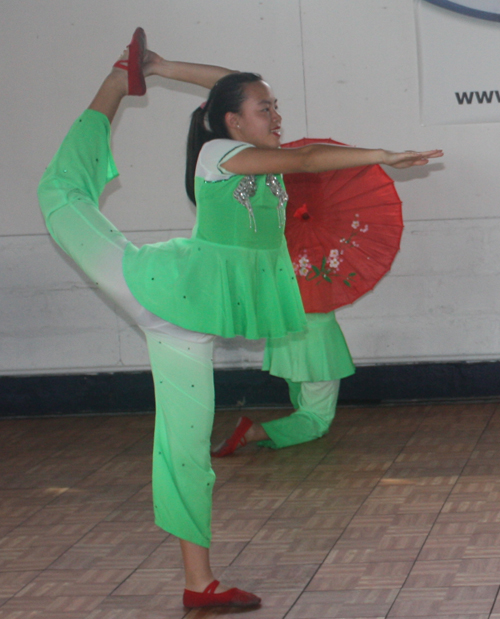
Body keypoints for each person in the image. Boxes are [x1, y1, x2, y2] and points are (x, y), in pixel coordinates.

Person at [37, 28, 442, 609]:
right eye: (265, 108)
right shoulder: (220, 155)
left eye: (276, 105)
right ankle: (110, 87)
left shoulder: (257, 160)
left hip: (186, 325)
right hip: (152, 287)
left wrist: (161, 65)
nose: (276, 113)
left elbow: (235, 91)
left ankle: (199, 584)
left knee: (185, 446)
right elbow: (303, 155)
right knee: (61, 192)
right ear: (232, 121)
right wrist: (383, 154)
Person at [212, 310, 355, 456]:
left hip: (285, 339)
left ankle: (298, 430)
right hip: (318, 343)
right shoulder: (319, 288)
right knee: (317, 419)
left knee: (300, 405)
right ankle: (254, 431)